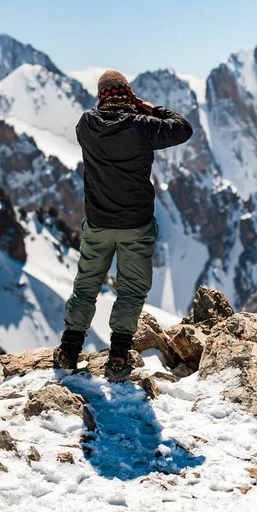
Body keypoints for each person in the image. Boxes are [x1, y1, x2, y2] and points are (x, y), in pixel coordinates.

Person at [53, 70, 193, 371]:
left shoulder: (86, 125)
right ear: (128, 95)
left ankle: (68, 349)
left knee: (86, 285)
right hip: (136, 226)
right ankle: (118, 355)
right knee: (131, 289)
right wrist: (150, 108)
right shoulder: (143, 127)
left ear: (101, 97)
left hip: (98, 224)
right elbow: (183, 128)